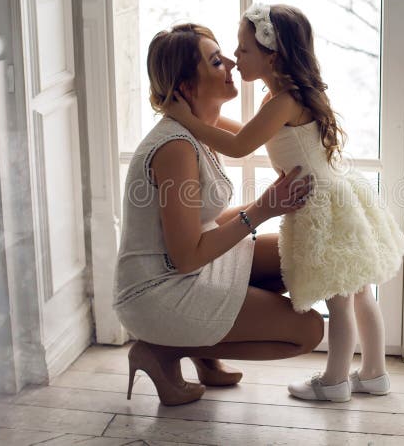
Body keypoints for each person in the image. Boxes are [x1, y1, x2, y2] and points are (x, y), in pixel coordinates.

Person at [165, 3, 404, 402]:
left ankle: (334, 381)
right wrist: (200, 119)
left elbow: (241, 145)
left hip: (320, 208)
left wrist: (188, 121)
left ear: (271, 55)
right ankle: (374, 372)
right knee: (360, 290)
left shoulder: (282, 101)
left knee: (340, 297)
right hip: (338, 195)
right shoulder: (288, 95)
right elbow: (246, 132)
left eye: (243, 49)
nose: (235, 57)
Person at [114, 23, 323, 407]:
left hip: (189, 269)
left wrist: (274, 200)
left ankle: (202, 350)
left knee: (307, 256)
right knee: (308, 331)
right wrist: (262, 209)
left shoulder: (199, 129)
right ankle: (164, 350)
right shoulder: (175, 147)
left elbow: (203, 220)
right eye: (215, 61)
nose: (230, 61)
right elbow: (186, 257)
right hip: (161, 290)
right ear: (187, 88)